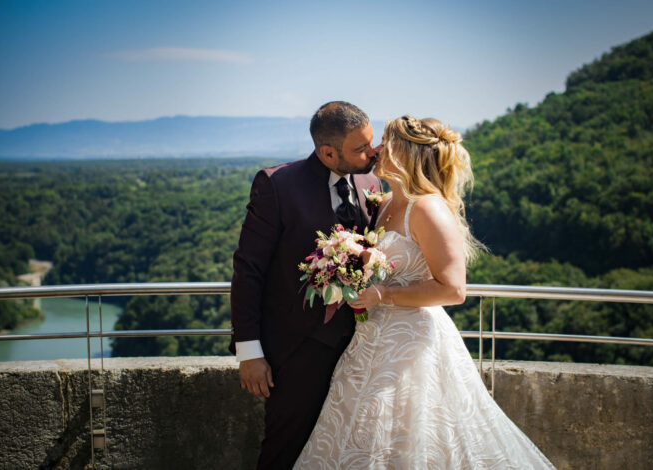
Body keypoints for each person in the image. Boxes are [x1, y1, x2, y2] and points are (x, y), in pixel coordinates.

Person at [294, 116, 556, 469]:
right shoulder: (384, 202)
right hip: (370, 340)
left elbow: (453, 288)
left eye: (385, 142)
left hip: (413, 347)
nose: (376, 150)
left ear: (403, 153)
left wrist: (381, 295)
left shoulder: (428, 208)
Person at [229, 101, 382, 469]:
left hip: (362, 347)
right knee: (286, 447)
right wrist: (249, 352)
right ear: (328, 152)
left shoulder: (371, 181)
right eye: (361, 148)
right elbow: (248, 270)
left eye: (370, 142)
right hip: (297, 349)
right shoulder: (277, 185)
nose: (372, 153)